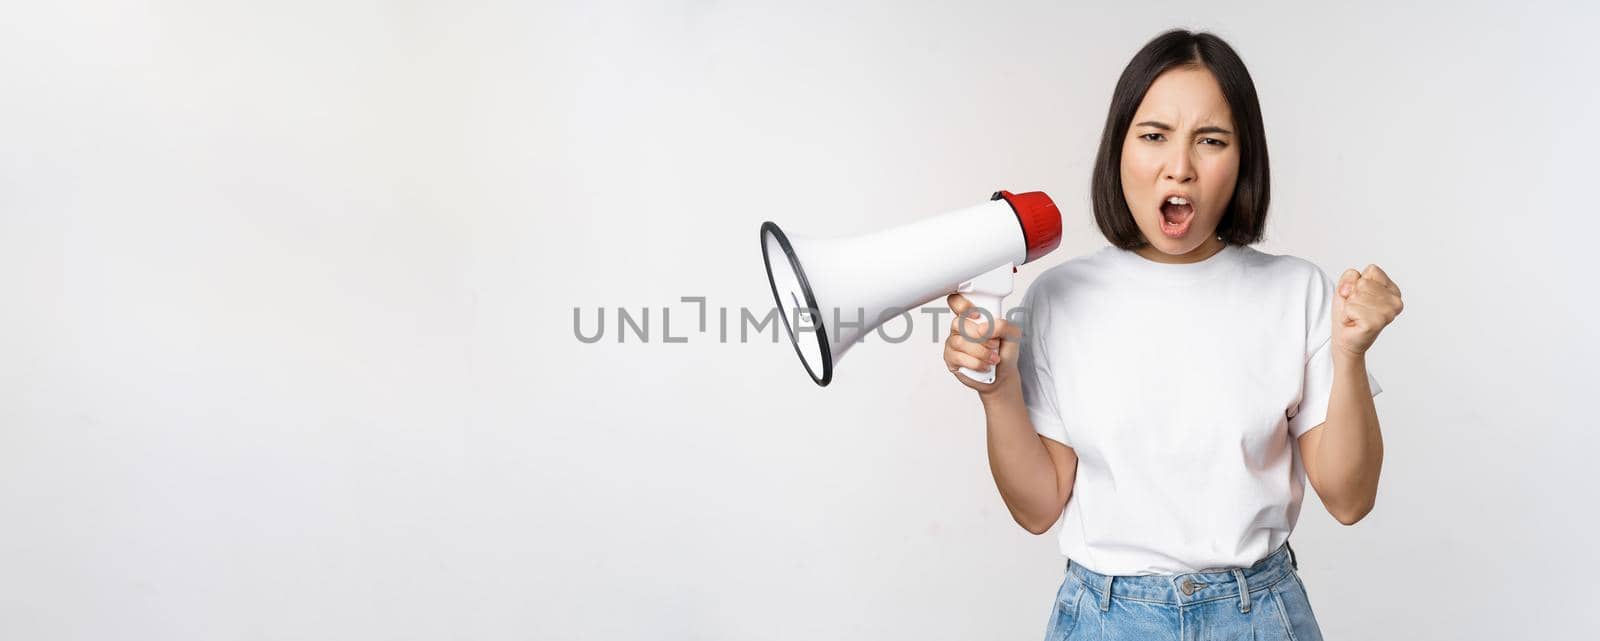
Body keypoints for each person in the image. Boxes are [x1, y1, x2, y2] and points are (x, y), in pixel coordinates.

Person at [942, 29, 1404, 640]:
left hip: (1258, 617)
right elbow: (1037, 507)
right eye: (1154, 136)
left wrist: (1349, 355)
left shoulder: (1299, 294)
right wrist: (996, 392)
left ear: (1242, 160)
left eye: (1210, 141)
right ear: (1120, 150)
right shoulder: (1058, 299)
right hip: (1103, 619)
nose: (1179, 167)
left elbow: (1349, 500)